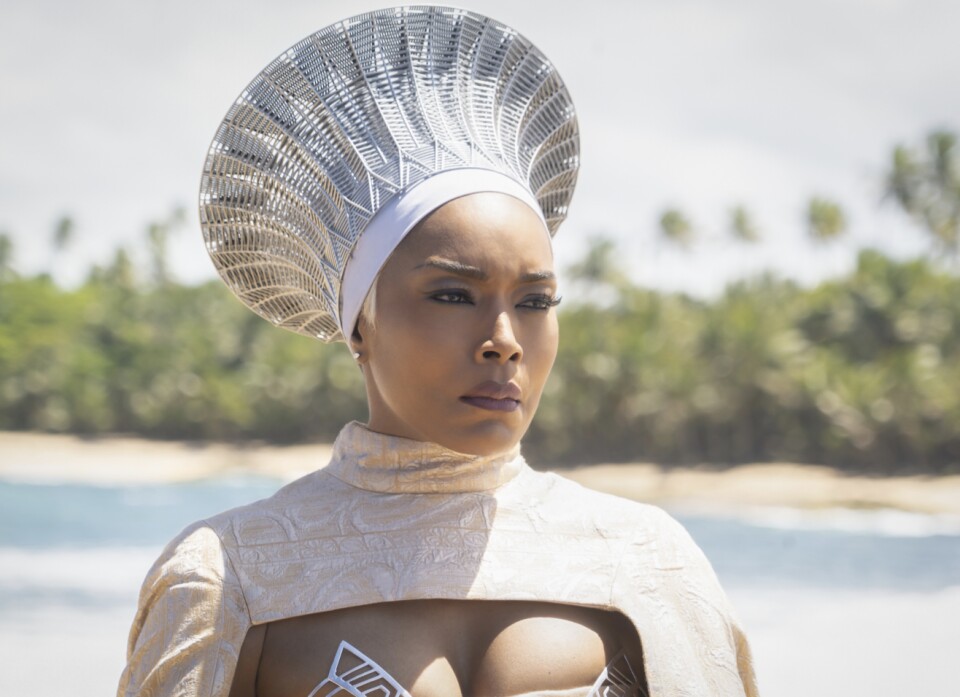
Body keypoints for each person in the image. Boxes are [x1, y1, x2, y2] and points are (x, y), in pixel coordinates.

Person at [118, 6, 758, 696]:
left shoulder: (645, 563)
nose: (505, 342)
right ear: (358, 324)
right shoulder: (232, 577)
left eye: (535, 302)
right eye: (454, 295)